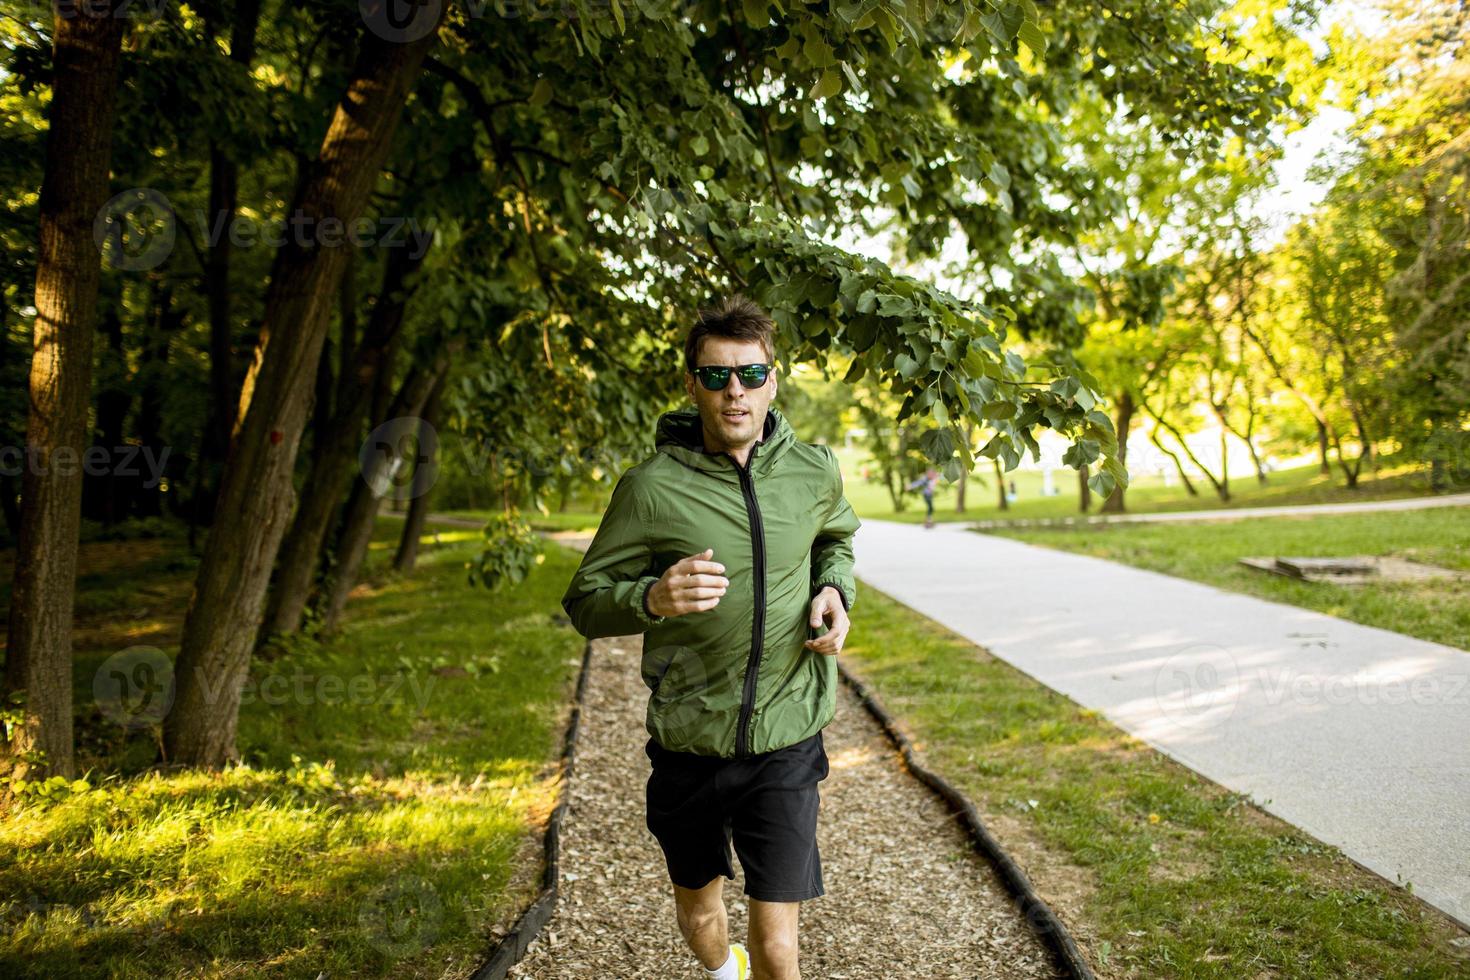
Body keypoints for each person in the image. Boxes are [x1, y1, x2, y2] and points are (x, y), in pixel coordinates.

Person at [561, 294, 861, 980]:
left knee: (780, 949)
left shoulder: (814, 470)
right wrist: (652, 598)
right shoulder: (650, 489)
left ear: (773, 381)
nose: (736, 392)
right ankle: (722, 973)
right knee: (701, 918)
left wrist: (835, 591)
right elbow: (584, 603)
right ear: (692, 383)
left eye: (751, 375)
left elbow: (836, 539)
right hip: (689, 739)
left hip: (787, 733)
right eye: (719, 375)